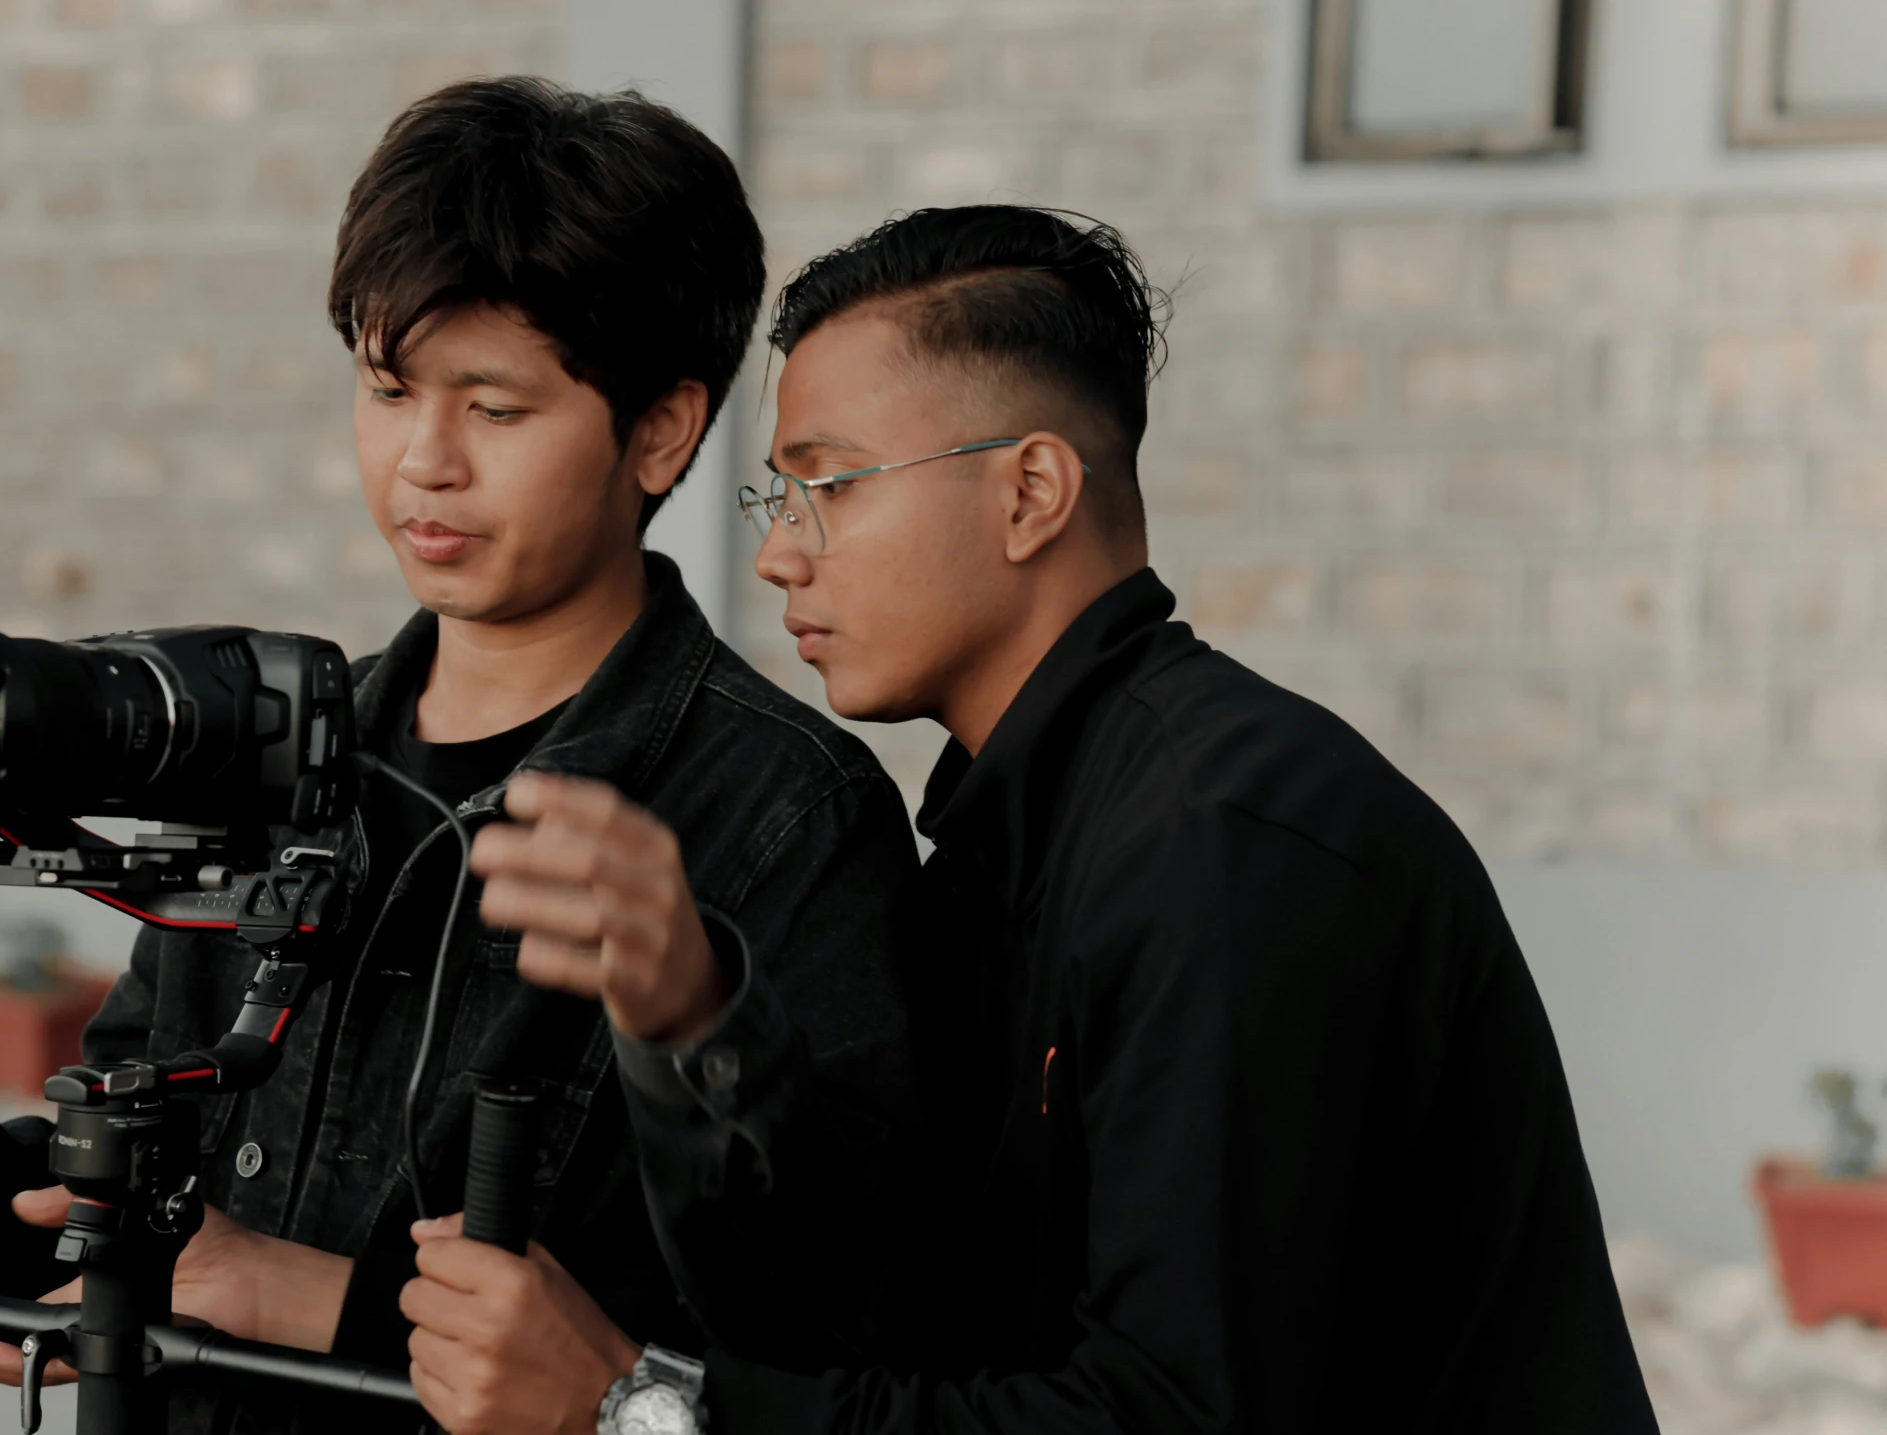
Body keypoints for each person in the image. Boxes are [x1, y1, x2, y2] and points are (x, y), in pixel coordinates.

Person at [0, 78, 927, 1433]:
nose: (424, 461)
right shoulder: (271, 743)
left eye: (497, 410)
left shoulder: (781, 815)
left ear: (659, 429)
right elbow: (136, 1203)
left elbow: (799, 1329)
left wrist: (313, 1298)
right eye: (387, 387)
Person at [405, 205, 1660, 1434]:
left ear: (1032, 492)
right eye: (778, 500)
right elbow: (889, 1325)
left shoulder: (1223, 840)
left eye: (828, 486)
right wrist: (695, 1026)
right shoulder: (1006, 843)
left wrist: (635, 1408)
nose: (782, 555)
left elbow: (1171, 1410)